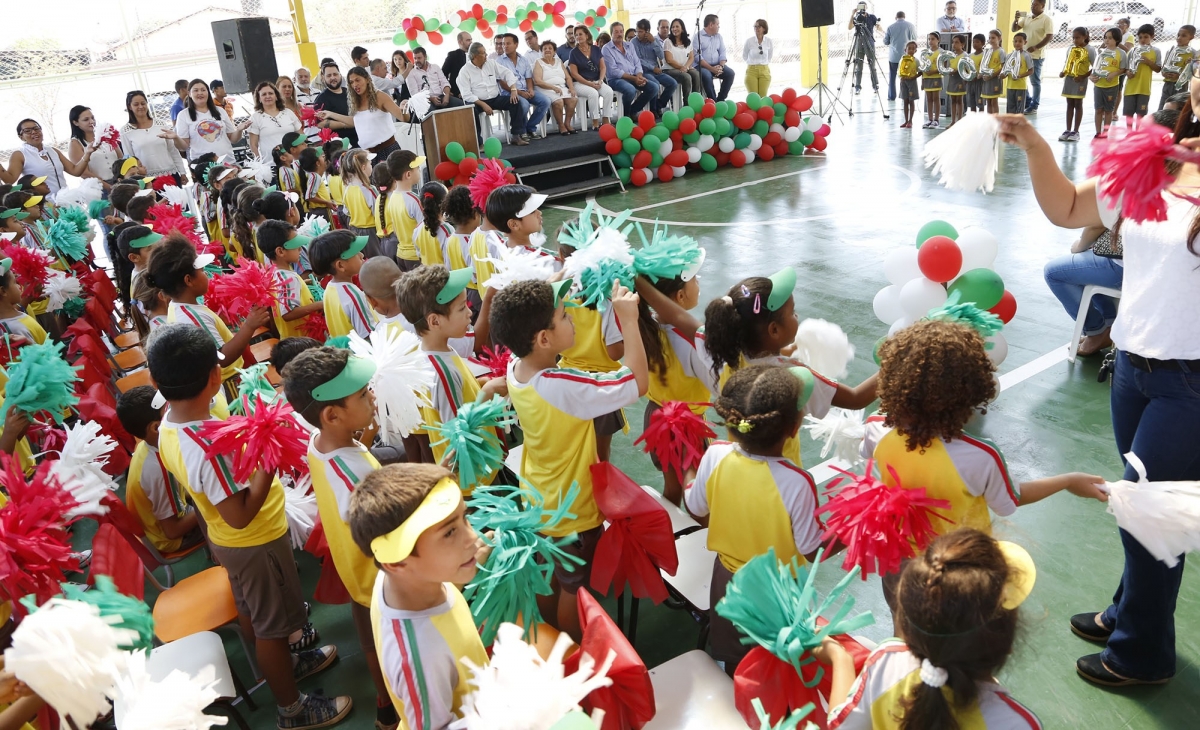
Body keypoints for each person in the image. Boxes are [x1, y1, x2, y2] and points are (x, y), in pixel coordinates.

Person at [148, 323, 351, 730]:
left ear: (156, 381)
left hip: (234, 544)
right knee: (271, 629)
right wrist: (267, 462)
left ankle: (289, 663)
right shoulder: (204, 444)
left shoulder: (170, 424)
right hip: (252, 541)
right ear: (213, 377)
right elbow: (239, 514)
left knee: (257, 613)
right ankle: (291, 708)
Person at [490, 278, 647, 640]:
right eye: (563, 315)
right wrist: (629, 320)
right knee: (577, 589)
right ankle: (573, 649)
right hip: (572, 507)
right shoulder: (560, 383)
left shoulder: (518, 368)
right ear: (544, 338)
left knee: (550, 575)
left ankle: (550, 638)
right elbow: (637, 382)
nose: (572, 316)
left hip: (538, 496)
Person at [867, 319, 1107, 544]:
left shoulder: (876, 426)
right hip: (962, 559)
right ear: (973, 390)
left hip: (899, 550)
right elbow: (1012, 498)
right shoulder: (981, 455)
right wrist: (1067, 480)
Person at [281, 347, 400, 730]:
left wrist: (365, 433)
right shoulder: (352, 471)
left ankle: (384, 706)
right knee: (391, 645)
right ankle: (398, 702)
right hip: (381, 572)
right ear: (332, 415)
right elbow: (379, 519)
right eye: (363, 394)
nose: (372, 396)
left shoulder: (324, 442)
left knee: (367, 635)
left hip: (354, 569)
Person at [821, 529, 1042, 728]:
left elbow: (840, 725)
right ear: (1007, 644)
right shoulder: (1017, 723)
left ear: (909, 627)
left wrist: (840, 657)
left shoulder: (886, 661)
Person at [685, 365, 824, 670]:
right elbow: (812, 549)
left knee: (735, 660)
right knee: (776, 663)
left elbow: (695, 508)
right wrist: (851, 526)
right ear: (793, 427)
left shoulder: (715, 455)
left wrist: (688, 470)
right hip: (777, 591)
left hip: (726, 581)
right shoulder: (797, 481)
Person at [347, 463, 488, 729]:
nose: (472, 536)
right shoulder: (420, 657)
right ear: (397, 562)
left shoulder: (397, 579)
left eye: (464, 518)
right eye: (449, 532)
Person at [700, 268, 878, 466]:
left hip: (738, 465)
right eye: (792, 312)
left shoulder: (728, 355)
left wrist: (785, 350)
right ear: (774, 330)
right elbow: (856, 398)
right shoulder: (792, 378)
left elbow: (761, 358)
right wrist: (896, 363)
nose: (797, 315)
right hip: (783, 476)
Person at [398, 266, 504, 472]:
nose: (470, 313)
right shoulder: (441, 372)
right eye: (462, 308)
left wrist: (478, 385)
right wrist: (487, 392)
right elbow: (458, 434)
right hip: (475, 477)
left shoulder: (438, 350)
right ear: (434, 321)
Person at [151, 234, 270, 384]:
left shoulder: (180, 307)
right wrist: (249, 325)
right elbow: (222, 357)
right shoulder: (192, 316)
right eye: (201, 271)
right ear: (189, 280)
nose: (206, 274)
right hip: (233, 384)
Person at [116, 385, 204, 554]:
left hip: (173, 513)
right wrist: (205, 500)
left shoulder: (147, 446)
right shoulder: (157, 470)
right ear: (155, 428)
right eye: (169, 412)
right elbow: (173, 531)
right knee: (225, 510)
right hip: (174, 537)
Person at [317, 67, 409, 158]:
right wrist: (330, 114)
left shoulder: (380, 96)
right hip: (368, 154)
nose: (355, 85)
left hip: (388, 150)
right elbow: (355, 122)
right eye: (351, 82)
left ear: (367, 79)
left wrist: (404, 107)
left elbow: (404, 118)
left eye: (358, 80)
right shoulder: (355, 101)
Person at [458, 42, 531, 146]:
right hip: (477, 102)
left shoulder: (491, 63)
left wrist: (514, 90)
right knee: (470, 111)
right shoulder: (464, 71)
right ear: (475, 56)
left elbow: (507, 73)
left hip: (494, 98)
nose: (486, 55)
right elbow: (466, 94)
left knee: (515, 101)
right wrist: (483, 104)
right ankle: (478, 143)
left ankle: (516, 136)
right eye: (483, 53)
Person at [257, 221, 321, 339]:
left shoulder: (276, 273)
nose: (300, 249)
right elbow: (288, 313)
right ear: (280, 251)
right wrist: (320, 305)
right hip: (301, 341)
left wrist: (304, 284)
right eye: (295, 245)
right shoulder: (288, 278)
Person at [311, 230, 377, 338]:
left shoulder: (330, 288)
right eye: (356, 253)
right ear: (341, 265)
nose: (362, 255)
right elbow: (370, 335)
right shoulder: (353, 295)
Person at [5, 119, 94, 197]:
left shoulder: (53, 151)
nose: (33, 132)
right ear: (21, 137)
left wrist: (87, 154)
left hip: (64, 200)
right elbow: (10, 180)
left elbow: (75, 171)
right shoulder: (19, 154)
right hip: (45, 206)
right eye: (27, 131)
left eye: (36, 128)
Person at [172, 79, 247, 162]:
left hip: (228, 162)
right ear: (189, 93)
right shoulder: (183, 115)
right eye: (196, 90)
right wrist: (176, 138)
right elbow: (183, 147)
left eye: (203, 90)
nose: (200, 93)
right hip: (203, 166)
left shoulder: (220, 111)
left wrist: (239, 130)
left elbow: (233, 139)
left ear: (208, 93)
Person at [121, 90, 189, 180]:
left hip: (170, 174)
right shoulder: (126, 131)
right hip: (146, 179)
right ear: (130, 107)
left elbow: (173, 150)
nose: (140, 107)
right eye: (136, 104)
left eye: (143, 103)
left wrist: (182, 172)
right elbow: (129, 158)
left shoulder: (161, 124)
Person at [498, 33, 552, 141]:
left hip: (525, 90)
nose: (505, 46)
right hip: (510, 92)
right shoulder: (499, 61)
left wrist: (531, 89)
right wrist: (520, 93)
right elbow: (502, 83)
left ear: (516, 45)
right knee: (524, 104)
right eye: (503, 44)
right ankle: (521, 131)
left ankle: (530, 127)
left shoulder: (523, 59)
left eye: (508, 43)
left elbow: (528, 78)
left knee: (546, 101)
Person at [603, 22, 659, 117]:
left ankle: (632, 111)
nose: (619, 34)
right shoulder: (606, 48)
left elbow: (637, 63)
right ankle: (626, 116)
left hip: (633, 76)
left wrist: (639, 76)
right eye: (616, 32)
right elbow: (613, 71)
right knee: (630, 90)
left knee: (654, 87)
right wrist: (634, 79)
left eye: (621, 31)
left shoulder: (629, 45)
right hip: (616, 79)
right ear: (611, 33)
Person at [569, 26, 617, 128]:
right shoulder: (573, 53)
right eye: (576, 35)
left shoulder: (596, 49)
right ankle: (595, 121)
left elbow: (603, 67)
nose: (578, 37)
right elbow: (574, 74)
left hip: (596, 80)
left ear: (587, 35)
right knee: (593, 93)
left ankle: (605, 118)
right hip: (580, 83)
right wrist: (589, 84)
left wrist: (600, 80)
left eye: (580, 34)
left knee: (609, 92)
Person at [385, 150, 424, 270]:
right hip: (416, 256)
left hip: (401, 254)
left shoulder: (392, 197)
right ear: (408, 174)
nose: (419, 170)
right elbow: (424, 231)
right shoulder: (414, 199)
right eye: (417, 168)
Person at [1012, 0, 1053, 113]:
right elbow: (1014, 29)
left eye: (1036, 5)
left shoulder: (1046, 19)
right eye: (1032, 4)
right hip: (1023, 54)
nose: (1033, 7)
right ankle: (1028, 101)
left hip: (1036, 55)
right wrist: (1016, 19)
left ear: (1042, 6)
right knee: (1022, 78)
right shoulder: (1027, 18)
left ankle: (1034, 105)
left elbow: (1049, 36)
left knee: (1034, 81)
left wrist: (1036, 47)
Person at [67, 105, 122, 190]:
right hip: (99, 188)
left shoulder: (106, 135)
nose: (91, 121)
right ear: (75, 122)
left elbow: (121, 158)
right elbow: (84, 173)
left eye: (92, 118)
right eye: (86, 120)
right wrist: (108, 187)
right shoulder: (75, 143)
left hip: (120, 181)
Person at [247, 81, 302, 162]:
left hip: (295, 162)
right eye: (264, 94)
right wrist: (259, 164)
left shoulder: (288, 112)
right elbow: (253, 145)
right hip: (270, 164)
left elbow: (301, 135)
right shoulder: (255, 117)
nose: (268, 96)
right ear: (259, 99)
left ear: (276, 96)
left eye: (270, 93)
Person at [634, 20, 680, 114]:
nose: (638, 34)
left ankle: (658, 105)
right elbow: (638, 60)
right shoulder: (634, 42)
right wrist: (652, 68)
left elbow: (661, 56)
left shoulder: (654, 40)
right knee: (654, 83)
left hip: (656, 71)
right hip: (643, 72)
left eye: (641, 32)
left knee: (673, 83)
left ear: (647, 31)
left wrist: (654, 42)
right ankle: (653, 110)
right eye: (637, 31)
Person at [534, 41, 579, 134]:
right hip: (545, 88)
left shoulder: (559, 61)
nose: (547, 50)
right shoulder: (538, 62)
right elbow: (538, 81)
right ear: (541, 52)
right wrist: (553, 88)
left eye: (550, 48)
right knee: (559, 102)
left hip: (561, 87)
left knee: (573, 99)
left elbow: (567, 77)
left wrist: (571, 87)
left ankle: (567, 123)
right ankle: (561, 125)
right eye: (544, 49)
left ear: (554, 51)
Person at [1061, 27, 1096, 142]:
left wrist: (1083, 76)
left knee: (1078, 103)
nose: (1075, 40)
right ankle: (1067, 130)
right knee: (1069, 104)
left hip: (1080, 80)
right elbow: (1068, 63)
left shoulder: (1090, 50)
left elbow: (1095, 67)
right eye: (1073, 38)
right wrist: (1063, 72)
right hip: (1069, 79)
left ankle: (1076, 131)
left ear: (1085, 37)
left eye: (1078, 38)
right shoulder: (1071, 48)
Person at [1091, 28, 1128, 137]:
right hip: (1098, 85)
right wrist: (1092, 77)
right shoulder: (1100, 52)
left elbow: (1123, 69)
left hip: (1112, 86)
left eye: (1110, 38)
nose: (1107, 40)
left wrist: (1114, 74)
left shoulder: (1121, 53)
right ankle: (1098, 132)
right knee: (1098, 109)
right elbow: (1094, 69)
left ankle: (1106, 133)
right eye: (1105, 38)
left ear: (1117, 39)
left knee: (1108, 110)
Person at [313, 62, 358, 148]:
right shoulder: (321, 99)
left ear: (340, 75)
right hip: (340, 147)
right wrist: (345, 124)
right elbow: (320, 123)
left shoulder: (349, 92)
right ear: (323, 78)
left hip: (360, 140)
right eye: (329, 75)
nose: (333, 77)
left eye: (335, 74)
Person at [1124, 24, 1161, 122]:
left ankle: (1138, 134)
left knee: (1141, 114)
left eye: (1146, 37)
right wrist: (1128, 72)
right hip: (1130, 88)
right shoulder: (1133, 51)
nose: (1143, 40)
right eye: (1140, 37)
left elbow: (1158, 69)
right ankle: (1129, 134)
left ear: (1152, 37)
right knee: (1128, 114)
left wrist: (1149, 62)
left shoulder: (1156, 51)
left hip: (1144, 88)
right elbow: (1125, 68)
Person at [695, 14, 735, 101]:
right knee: (706, 75)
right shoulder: (697, 37)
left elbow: (722, 53)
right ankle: (713, 101)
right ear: (711, 25)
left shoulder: (719, 36)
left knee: (730, 73)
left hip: (717, 65)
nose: (719, 26)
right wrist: (711, 69)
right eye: (717, 24)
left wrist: (721, 66)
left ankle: (720, 100)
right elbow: (697, 57)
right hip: (702, 66)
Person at [664, 19, 703, 102]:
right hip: (670, 69)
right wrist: (682, 67)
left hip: (683, 68)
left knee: (696, 74)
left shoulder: (688, 42)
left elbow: (691, 57)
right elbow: (669, 60)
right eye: (673, 27)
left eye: (677, 26)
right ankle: (687, 103)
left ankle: (695, 101)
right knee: (687, 77)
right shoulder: (668, 42)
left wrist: (686, 67)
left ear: (682, 29)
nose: (674, 29)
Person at [847, 3, 882, 94]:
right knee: (859, 66)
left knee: (872, 66)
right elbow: (849, 27)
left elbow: (878, 27)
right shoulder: (856, 17)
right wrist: (852, 15)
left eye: (863, 6)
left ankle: (875, 86)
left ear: (866, 7)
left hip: (869, 42)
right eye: (860, 6)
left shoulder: (872, 17)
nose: (862, 8)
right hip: (859, 42)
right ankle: (857, 86)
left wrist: (879, 26)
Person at [1159, 25, 1196, 110]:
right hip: (1167, 85)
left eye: (1183, 36)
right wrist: (1165, 73)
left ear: (1191, 37)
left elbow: (1194, 74)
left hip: (1181, 86)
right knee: (1163, 107)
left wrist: (1179, 76)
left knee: (1176, 109)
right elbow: (1163, 68)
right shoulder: (1171, 51)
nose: (1179, 38)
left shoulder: (1193, 53)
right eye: (1178, 35)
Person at [412, 182, 450, 266]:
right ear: (445, 205)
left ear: (421, 205)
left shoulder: (417, 230)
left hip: (428, 276)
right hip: (445, 276)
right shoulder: (447, 230)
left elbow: (419, 256)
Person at [883, 11, 918, 101]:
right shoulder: (911, 26)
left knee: (892, 77)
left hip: (894, 56)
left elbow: (886, 42)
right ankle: (906, 96)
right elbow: (914, 40)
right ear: (904, 16)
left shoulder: (890, 27)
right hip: (907, 57)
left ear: (896, 17)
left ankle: (891, 96)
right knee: (907, 77)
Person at [1002, 34, 1034, 118]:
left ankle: (1018, 128)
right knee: (1010, 108)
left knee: (1019, 109)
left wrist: (1020, 76)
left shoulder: (1026, 55)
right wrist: (1002, 75)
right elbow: (1006, 71)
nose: (1017, 43)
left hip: (1020, 87)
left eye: (1020, 41)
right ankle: (1010, 127)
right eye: (1015, 41)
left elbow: (1031, 71)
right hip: (1010, 86)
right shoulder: (1009, 56)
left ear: (1025, 42)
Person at [921, 32, 945, 128]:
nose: (930, 41)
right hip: (927, 78)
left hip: (936, 78)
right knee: (929, 99)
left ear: (938, 40)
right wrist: (923, 80)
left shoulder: (941, 52)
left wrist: (933, 71)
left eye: (933, 39)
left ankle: (936, 119)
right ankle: (930, 119)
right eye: (929, 39)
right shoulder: (926, 52)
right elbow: (923, 67)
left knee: (936, 98)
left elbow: (943, 67)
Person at [981, 29, 1006, 114]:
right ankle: (990, 121)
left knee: (994, 101)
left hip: (995, 79)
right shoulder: (987, 51)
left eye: (993, 38)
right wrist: (983, 74)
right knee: (988, 101)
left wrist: (992, 75)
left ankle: (996, 121)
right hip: (986, 79)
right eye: (989, 38)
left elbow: (1003, 67)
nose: (991, 40)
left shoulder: (1001, 51)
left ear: (999, 38)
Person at [945, 35, 968, 124]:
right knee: (953, 100)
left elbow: (967, 68)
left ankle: (959, 121)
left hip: (960, 79)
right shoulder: (951, 55)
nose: (954, 44)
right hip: (952, 80)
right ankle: (953, 121)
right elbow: (948, 66)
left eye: (957, 42)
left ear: (962, 44)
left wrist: (958, 70)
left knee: (959, 99)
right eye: (953, 42)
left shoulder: (965, 55)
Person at [898, 40, 920, 127]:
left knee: (911, 101)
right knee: (905, 101)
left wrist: (913, 77)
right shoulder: (902, 60)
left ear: (915, 51)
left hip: (912, 82)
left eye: (913, 49)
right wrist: (901, 77)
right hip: (903, 82)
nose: (911, 50)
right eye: (909, 48)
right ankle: (906, 120)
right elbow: (899, 70)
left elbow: (920, 72)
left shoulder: (916, 61)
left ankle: (910, 120)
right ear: (905, 50)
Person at [443, 32, 473, 97]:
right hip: (458, 92)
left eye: (471, 40)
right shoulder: (453, 56)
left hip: (474, 91)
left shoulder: (475, 55)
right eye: (468, 40)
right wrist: (448, 90)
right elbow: (443, 74)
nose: (471, 42)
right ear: (460, 42)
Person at [967, 33, 987, 112]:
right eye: (973, 42)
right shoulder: (970, 56)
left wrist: (980, 76)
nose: (974, 44)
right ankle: (973, 121)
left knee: (980, 103)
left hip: (980, 82)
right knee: (972, 103)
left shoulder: (984, 55)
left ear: (983, 43)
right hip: (970, 81)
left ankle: (980, 122)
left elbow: (985, 68)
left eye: (977, 42)